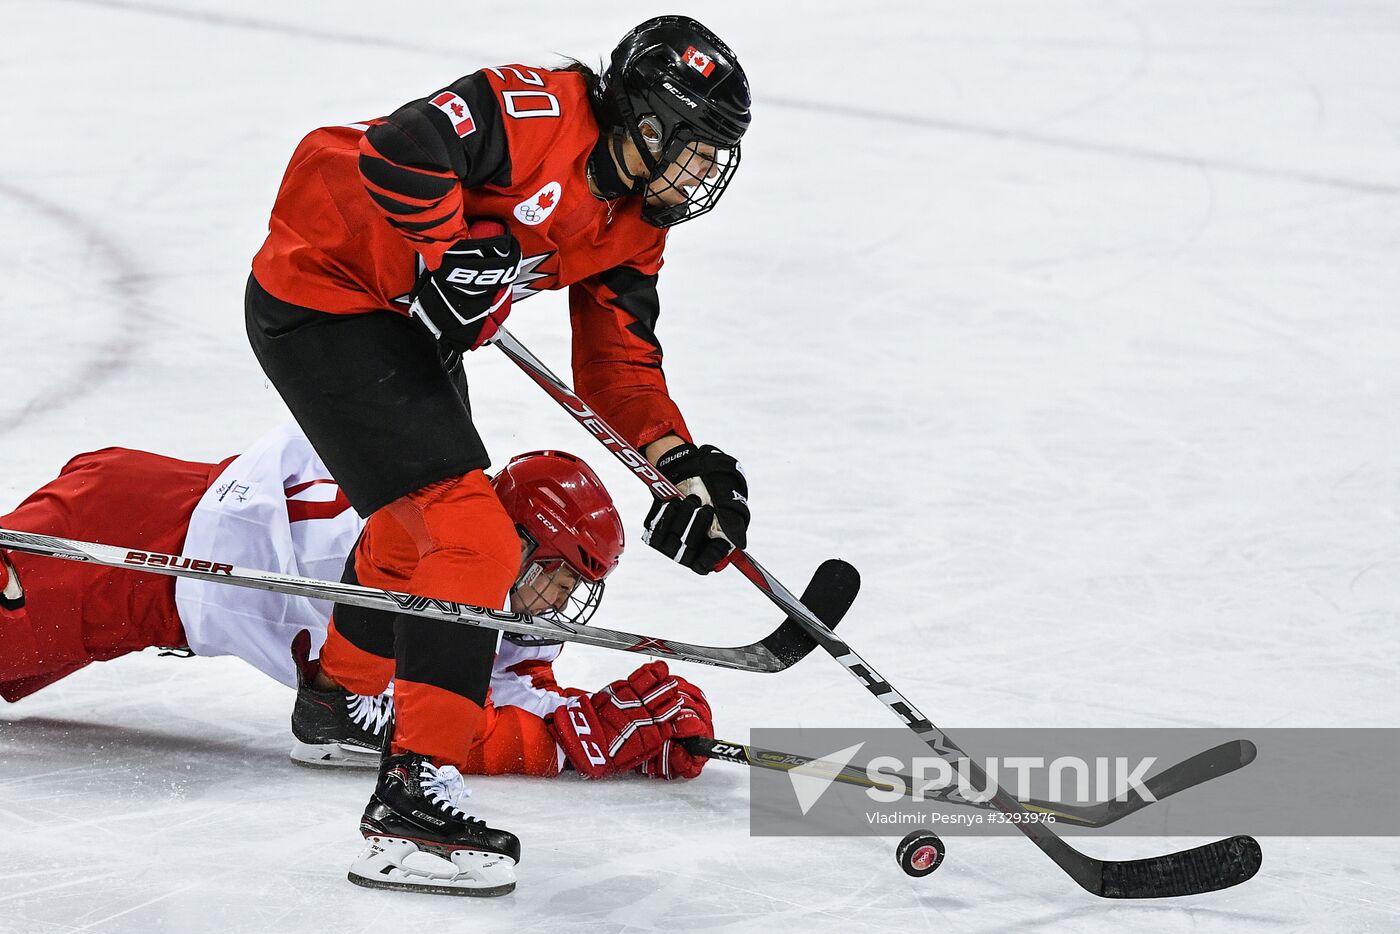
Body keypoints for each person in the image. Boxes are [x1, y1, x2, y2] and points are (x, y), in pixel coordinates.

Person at [242, 15, 752, 893]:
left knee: (412, 535)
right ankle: (411, 806)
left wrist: (679, 462)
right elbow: (400, 148)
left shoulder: (636, 225)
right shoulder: (539, 112)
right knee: (471, 539)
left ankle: (336, 705)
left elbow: (619, 363)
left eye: (716, 160)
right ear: (648, 123)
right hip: (324, 291)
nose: (704, 175)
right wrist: (447, 252)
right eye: (698, 150)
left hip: (406, 326)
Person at [0, 423, 713, 895]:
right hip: (119, 548)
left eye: (575, 585)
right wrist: (568, 744)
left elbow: (505, 688)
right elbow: (441, 721)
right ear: (519, 542)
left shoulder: (478, 557)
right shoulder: (425, 560)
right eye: (558, 573)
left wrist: (604, 730)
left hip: (145, 564)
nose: (559, 599)